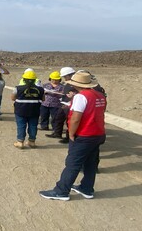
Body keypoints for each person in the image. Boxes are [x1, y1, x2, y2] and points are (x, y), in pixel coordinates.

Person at [39, 71, 107, 201]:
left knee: (73, 163)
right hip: (98, 133)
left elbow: (76, 118)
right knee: (90, 163)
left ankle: (61, 191)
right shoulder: (100, 95)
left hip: (84, 134)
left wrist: (71, 133)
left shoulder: (81, 97)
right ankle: (87, 188)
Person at [11, 69, 44, 148]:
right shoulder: (41, 89)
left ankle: (20, 142)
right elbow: (43, 99)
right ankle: (31, 142)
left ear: (24, 80)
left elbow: (12, 98)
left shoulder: (18, 88)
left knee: (21, 125)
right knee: (33, 125)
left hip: (21, 110)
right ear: (34, 80)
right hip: (34, 110)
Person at [47, 66, 77, 142]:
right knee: (58, 118)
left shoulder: (77, 83)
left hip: (70, 105)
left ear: (69, 75)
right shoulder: (68, 82)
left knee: (69, 121)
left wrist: (74, 95)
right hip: (64, 103)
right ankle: (57, 133)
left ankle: (68, 137)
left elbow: (81, 93)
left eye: (65, 76)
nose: (64, 78)